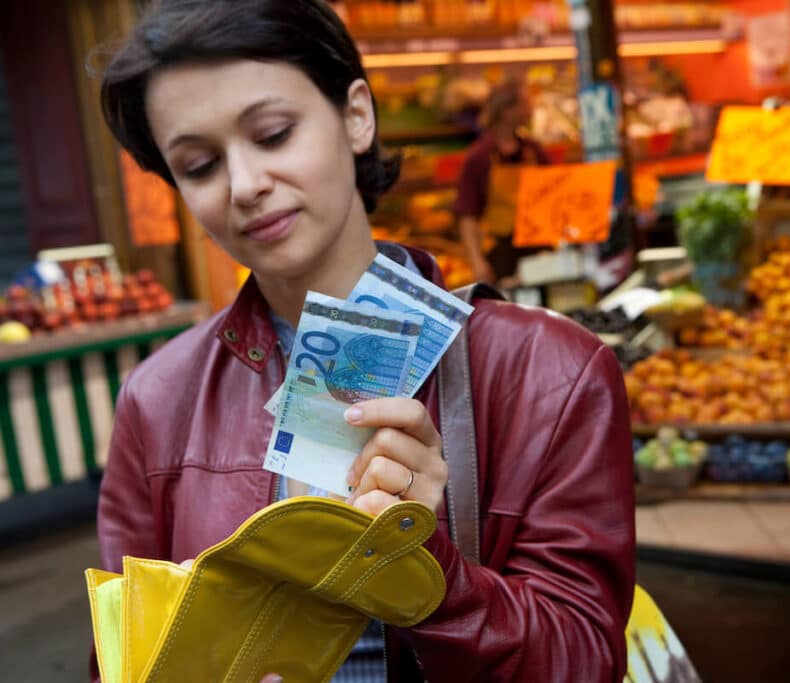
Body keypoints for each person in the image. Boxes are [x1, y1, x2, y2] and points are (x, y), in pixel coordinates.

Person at [94, 1, 635, 682]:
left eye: (274, 133)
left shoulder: (554, 372)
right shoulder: (158, 398)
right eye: (199, 165)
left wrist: (428, 570)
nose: (245, 184)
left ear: (356, 115)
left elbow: (583, 662)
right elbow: (120, 660)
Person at [454, 80, 549, 286]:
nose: (531, 109)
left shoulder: (534, 151)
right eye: (525, 103)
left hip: (538, 253)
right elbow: (467, 216)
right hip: (499, 255)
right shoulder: (479, 157)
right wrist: (477, 262)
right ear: (507, 110)